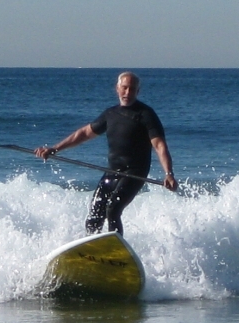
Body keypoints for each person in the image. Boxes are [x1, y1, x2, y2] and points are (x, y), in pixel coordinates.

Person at [35, 72, 177, 236]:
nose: (127, 93)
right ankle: (93, 249)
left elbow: (159, 145)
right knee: (94, 215)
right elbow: (84, 133)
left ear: (138, 91)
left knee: (113, 209)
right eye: (124, 88)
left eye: (132, 89)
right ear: (117, 89)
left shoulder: (146, 115)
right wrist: (55, 149)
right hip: (113, 172)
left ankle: (116, 250)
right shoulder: (110, 114)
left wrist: (169, 173)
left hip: (135, 173)